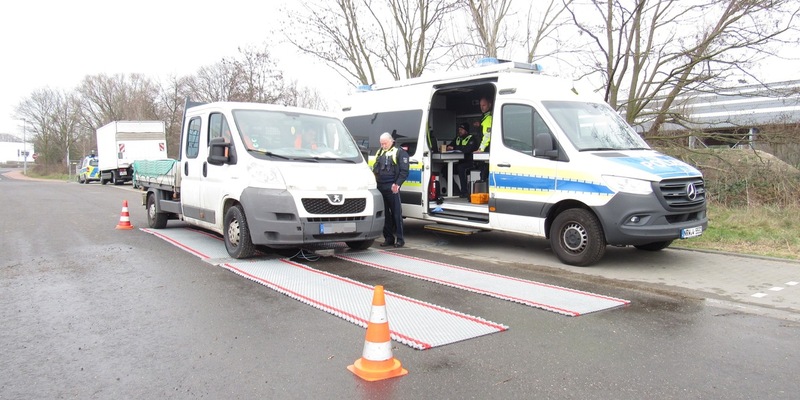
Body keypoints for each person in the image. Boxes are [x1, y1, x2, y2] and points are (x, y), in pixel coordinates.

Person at [373, 132, 410, 248]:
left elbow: (404, 171)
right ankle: (388, 238)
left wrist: (397, 184)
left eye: (385, 143)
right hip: (380, 187)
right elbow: (375, 168)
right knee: (385, 215)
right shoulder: (379, 152)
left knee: (396, 214)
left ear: (391, 141)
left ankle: (400, 239)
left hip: (392, 187)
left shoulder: (400, 152)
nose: (383, 145)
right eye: (381, 143)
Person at [445, 122, 479, 197]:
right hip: (459, 162)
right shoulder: (457, 138)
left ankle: (464, 192)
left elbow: (467, 150)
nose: (459, 131)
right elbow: (450, 145)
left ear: (466, 130)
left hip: (471, 163)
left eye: (461, 129)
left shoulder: (471, 138)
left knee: (461, 167)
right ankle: (456, 190)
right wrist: (448, 147)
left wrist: (454, 148)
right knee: (444, 169)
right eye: (459, 129)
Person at [473, 96, 493, 180]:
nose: (481, 107)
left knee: (484, 176)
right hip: (486, 150)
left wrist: (481, 149)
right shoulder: (485, 117)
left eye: (484, 105)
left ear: (489, 105)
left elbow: (487, 135)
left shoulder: (488, 118)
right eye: (480, 105)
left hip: (486, 151)